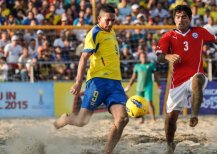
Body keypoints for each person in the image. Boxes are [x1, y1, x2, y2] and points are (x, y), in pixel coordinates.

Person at [155, 5, 217, 153]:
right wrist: (168, 56)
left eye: (184, 17)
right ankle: (170, 144)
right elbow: (159, 57)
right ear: (174, 19)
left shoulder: (199, 32)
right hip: (177, 82)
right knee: (170, 119)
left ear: (189, 18)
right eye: (177, 17)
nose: (180, 19)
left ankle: (194, 115)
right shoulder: (168, 36)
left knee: (197, 80)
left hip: (196, 74)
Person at [53, 4, 129, 154]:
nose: (110, 23)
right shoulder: (94, 33)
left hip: (115, 83)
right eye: (107, 20)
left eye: (113, 20)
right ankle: (65, 119)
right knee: (82, 121)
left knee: (122, 119)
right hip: (97, 82)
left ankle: (107, 152)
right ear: (99, 18)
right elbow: (83, 58)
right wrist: (78, 82)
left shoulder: (111, 31)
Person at [124, 52, 161, 123]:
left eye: (145, 57)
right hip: (139, 87)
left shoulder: (151, 65)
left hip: (148, 87)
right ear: (140, 58)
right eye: (142, 57)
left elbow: (156, 76)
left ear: (147, 57)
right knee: (139, 104)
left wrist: (159, 86)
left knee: (149, 102)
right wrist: (128, 86)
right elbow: (133, 78)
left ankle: (153, 119)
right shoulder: (137, 66)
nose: (144, 58)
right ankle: (142, 119)